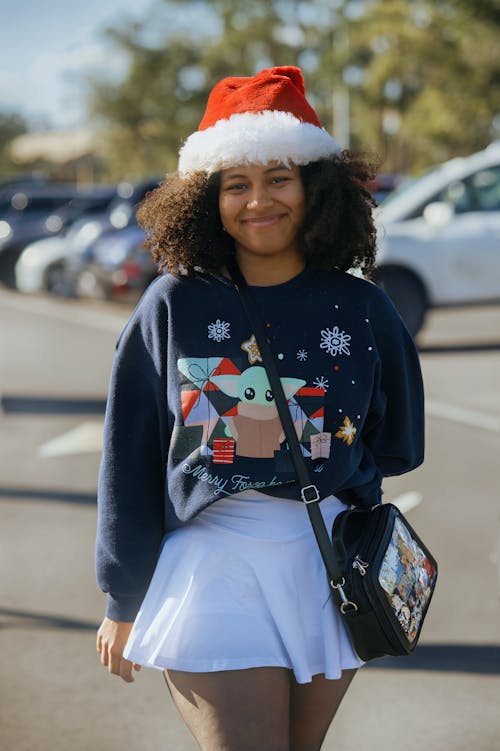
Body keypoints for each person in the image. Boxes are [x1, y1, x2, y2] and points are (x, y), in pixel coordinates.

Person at [96, 66, 424, 751]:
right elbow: (128, 454)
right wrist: (123, 594)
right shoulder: (173, 304)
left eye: (279, 178)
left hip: (323, 562)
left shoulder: (361, 305)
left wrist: (342, 485)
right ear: (206, 199)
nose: (257, 201)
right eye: (235, 184)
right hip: (210, 563)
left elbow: (399, 437)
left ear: (315, 186)